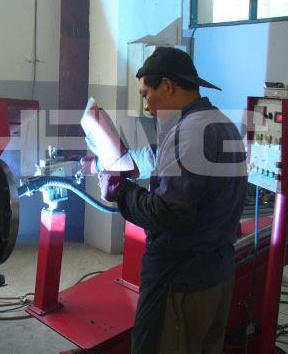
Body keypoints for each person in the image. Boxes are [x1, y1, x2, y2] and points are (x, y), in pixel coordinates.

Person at [92, 47, 247, 354]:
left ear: (168, 85)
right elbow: (165, 159)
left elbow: (169, 214)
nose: (146, 105)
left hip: (181, 282)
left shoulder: (188, 132)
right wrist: (115, 162)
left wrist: (120, 192)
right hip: (216, 275)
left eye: (146, 94)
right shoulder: (219, 123)